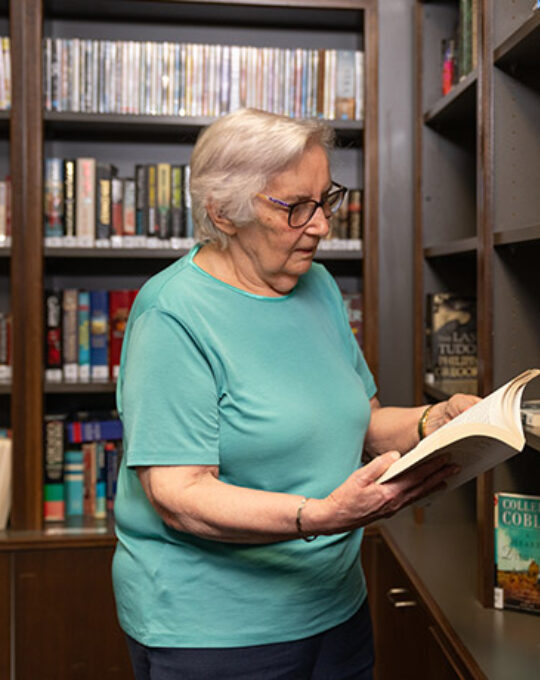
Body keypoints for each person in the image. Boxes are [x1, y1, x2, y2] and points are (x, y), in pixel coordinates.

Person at [112, 107, 476, 680]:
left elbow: (360, 421)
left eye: (325, 199)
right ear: (222, 214)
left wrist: (439, 421)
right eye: (295, 207)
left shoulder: (317, 285)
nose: (322, 226)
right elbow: (178, 493)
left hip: (335, 608)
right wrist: (321, 516)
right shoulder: (171, 314)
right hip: (217, 634)